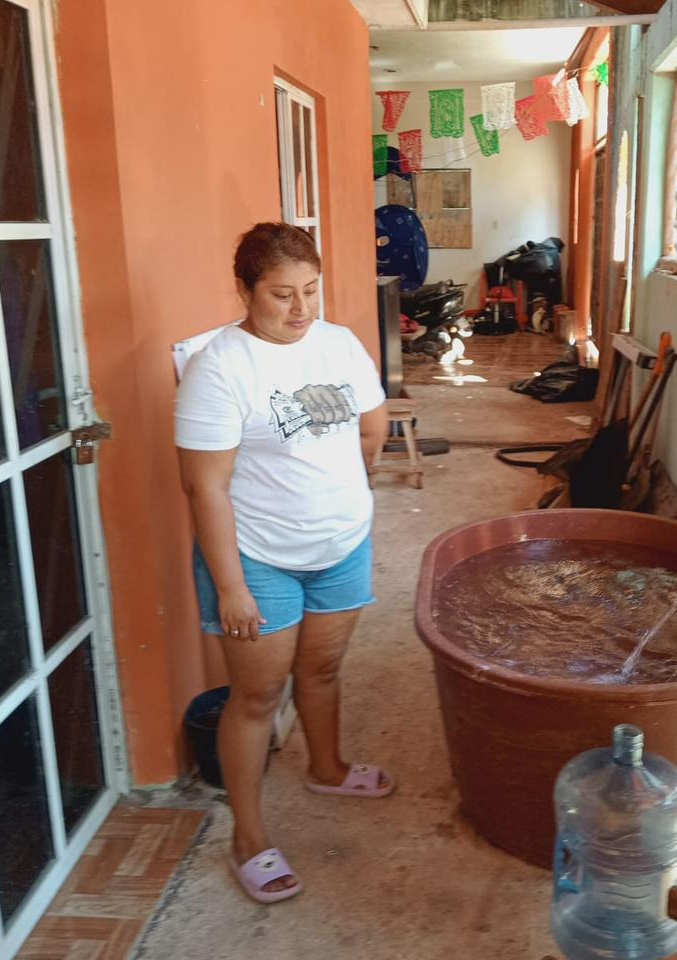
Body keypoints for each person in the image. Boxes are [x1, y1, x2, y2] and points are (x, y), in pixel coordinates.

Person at [175, 222, 392, 904]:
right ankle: (248, 837)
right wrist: (232, 587)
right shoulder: (220, 367)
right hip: (260, 557)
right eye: (280, 295)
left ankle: (326, 766)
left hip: (341, 544)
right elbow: (203, 487)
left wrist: (348, 486)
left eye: (310, 291)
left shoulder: (339, 344)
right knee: (259, 698)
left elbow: (372, 423)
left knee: (323, 669)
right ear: (244, 291)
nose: (300, 309)